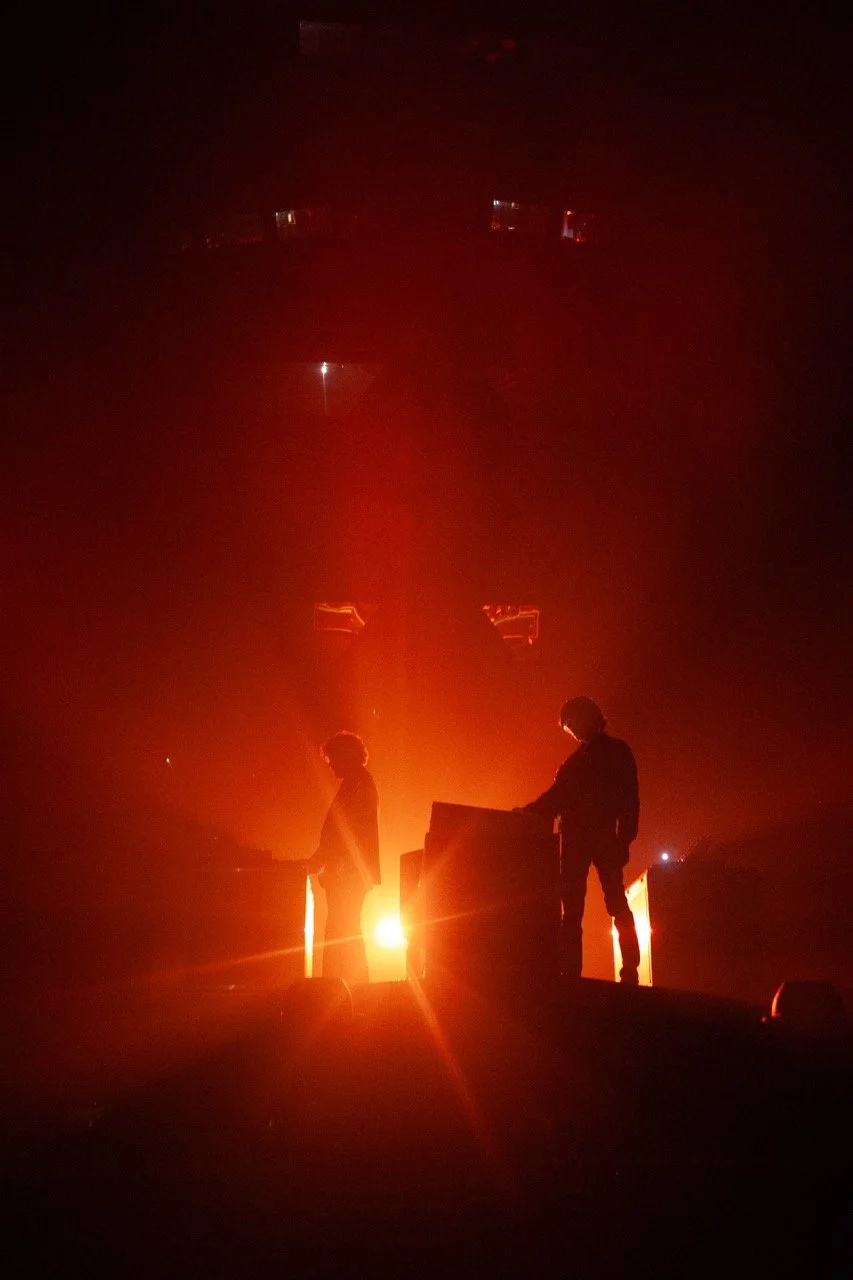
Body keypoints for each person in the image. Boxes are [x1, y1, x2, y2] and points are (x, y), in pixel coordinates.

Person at [520, 696, 641, 984]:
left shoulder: (577, 763)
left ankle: (573, 973)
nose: (571, 731)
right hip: (595, 840)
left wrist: (623, 839)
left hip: (584, 841)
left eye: (571, 725)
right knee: (608, 905)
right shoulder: (608, 754)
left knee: (576, 910)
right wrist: (623, 840)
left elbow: (557, 799)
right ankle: (627, 970)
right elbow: (628, 800)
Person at [306, 731, 380, 986]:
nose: (330, 765)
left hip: (346, 872)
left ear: (343, 756)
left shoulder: (356, 784)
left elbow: (344, 831)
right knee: (346, 928)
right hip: (351, 871)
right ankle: (351, 988)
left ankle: (345, 989)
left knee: (342, 929)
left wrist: (322, 859)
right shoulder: (360, 782)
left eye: (332, 759)